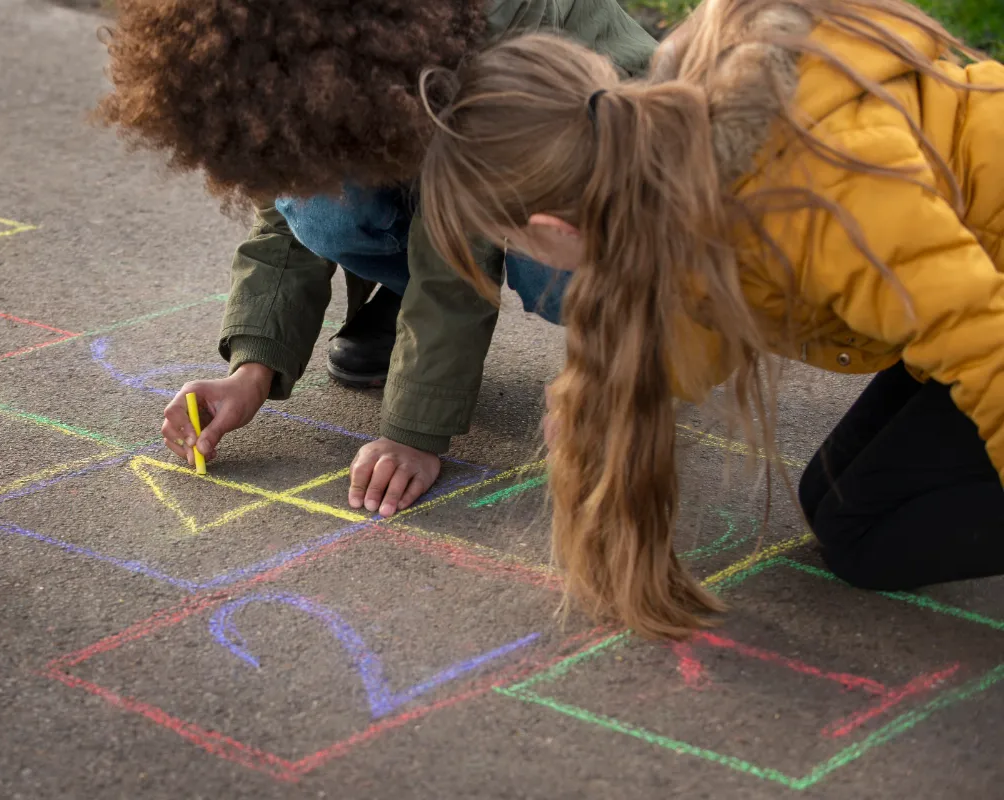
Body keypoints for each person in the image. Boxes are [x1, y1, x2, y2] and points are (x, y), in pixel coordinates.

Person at [417, 0, 1004, 638]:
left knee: (865, 539)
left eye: (512, 242)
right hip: (973, 280)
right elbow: (710, 299)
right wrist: (624, 388)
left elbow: (987, 349)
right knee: (833, 504)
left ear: (554, 229)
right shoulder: (681, 152)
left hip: (985, 313)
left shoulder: (817, 194)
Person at [94, 0, 658, 516]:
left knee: (553, 271)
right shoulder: (305, 40)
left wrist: (413, 433)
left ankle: (644, 331)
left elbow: (459, 245)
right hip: (449, 127)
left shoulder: (484, 28)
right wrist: (252, 369)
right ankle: (403, 305)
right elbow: (291, 175)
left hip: (609, 165)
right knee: (319, 208)